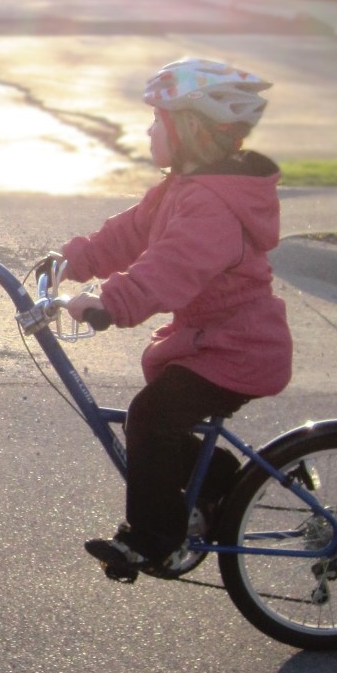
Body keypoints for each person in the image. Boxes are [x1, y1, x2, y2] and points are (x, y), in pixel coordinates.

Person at [46, 58, 293, 583]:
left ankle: (153, 538)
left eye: (158, 121)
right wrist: (75, 260)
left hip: (238, 350)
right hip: (213, 342)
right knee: (162, 420)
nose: (149, 130)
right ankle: (223, 479)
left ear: (191, 128)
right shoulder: (182, 188)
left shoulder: (212, 206)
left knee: (151, 417)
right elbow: (132, 233)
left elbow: (171, 268)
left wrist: (111, 302)